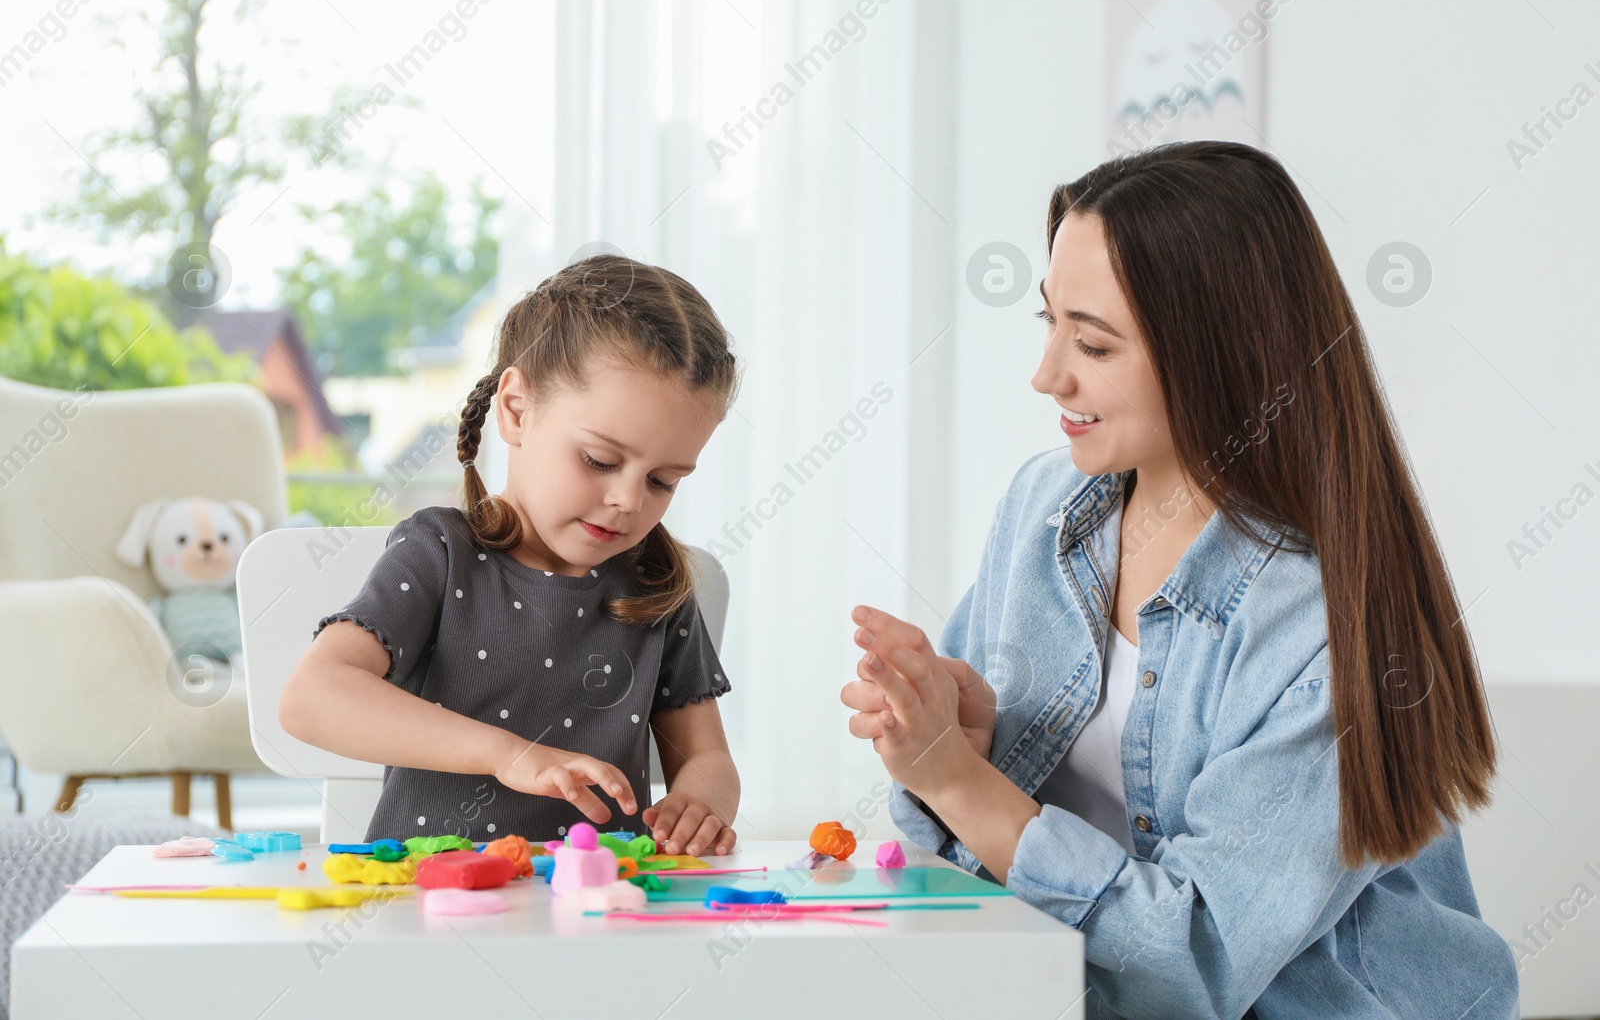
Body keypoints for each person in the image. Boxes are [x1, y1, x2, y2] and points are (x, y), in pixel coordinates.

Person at [840, 141, 1518, 1019]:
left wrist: (961, 785)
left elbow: (1199, 962)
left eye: (1092, 342)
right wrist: (966, 745)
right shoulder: (1045, 504)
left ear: (1219, 354)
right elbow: (977, 849)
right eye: (1047, 322)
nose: (1047, 374)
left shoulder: (1320, 621)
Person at [281, 255, 742, 857]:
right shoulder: (441, 554)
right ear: (517, 410)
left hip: (597, 909)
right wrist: (509, 754)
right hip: (429, 905)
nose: (628, 499)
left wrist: (700, 805)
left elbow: (706, 755)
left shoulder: (655, 585)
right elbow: (312, 697)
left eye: (663, 480)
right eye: (601, 461)